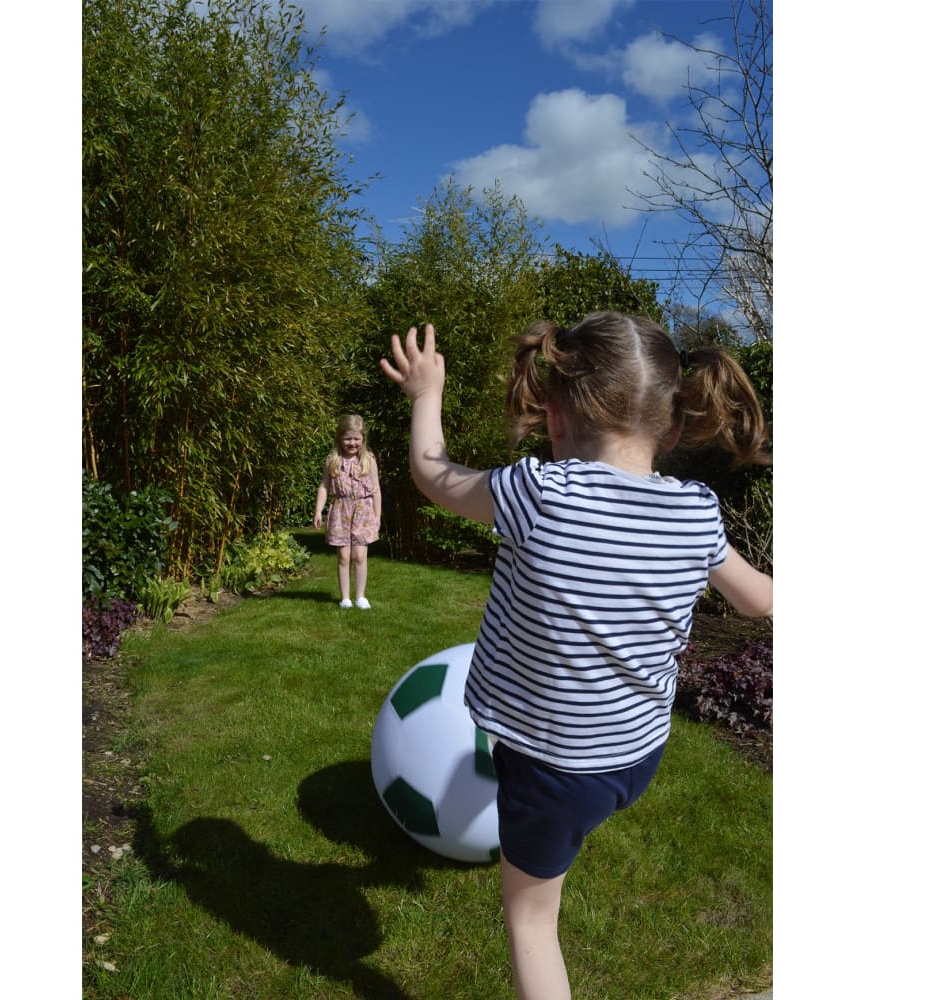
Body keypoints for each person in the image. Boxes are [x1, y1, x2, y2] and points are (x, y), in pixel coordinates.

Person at [380, 314, 772, 1000]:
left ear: (554, 416)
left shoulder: (537, 494)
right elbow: (760, 602)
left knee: (532, 921)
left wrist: (425, 396)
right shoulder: (698, 513)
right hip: (636, 755)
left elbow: (430, 474)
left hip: (554, 769)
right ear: (673, 428)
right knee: (568, 840)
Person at [314, 414, 382, 609]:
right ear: (339, 438)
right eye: (347, 438)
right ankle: (345, 598)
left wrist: (378, 516)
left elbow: (376, 489)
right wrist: (319, 510)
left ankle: (360, 596)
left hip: (363, 511)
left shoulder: (368, 460)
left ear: (363, 439)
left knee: (359, 556)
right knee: (344, 557)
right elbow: (324, 487)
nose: (352, 443)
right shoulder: (333, 460)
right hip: (340, 511)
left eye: (356, 438)